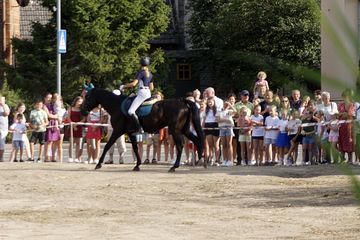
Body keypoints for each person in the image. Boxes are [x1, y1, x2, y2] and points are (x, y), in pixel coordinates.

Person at [120, 56, 154, 133]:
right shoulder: (151, 74)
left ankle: (139, 128)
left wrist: (124, 86)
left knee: (131, 111)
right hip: (148, 92)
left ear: (140, 64)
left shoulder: (141, 73)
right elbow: (152, 88)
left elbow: (134, 84)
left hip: (142, 93)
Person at [337, 89, 355, 163]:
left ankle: (350, 159)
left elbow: (350, 114)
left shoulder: (352, 105)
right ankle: (342, 158)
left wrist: (344, 114)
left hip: (349, 127)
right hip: (341, 127)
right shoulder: (340, 105)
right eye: (343, 96)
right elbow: (338, 114)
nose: (344, 98)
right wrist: (343, 114)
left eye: (345, 96)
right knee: (341, 141)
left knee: (349, 142)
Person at [216, 100, 236, 167]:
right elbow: (218, 120)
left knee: (229, 144)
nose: (225, 105)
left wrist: (230, 105)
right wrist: (226, 120)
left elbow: (235, 112)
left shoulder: (229, 111)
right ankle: (225, 160)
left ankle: (230, 160)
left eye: (226, 104)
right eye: (224, 104)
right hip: (222, 128)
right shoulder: (219, 112)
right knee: (224, 145)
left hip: (229, 128)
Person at [66, 96, 85, 163]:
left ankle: (77, 157)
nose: (80, 103)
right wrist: (73, 124)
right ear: (76, 101)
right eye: (79, 101)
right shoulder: (70, 108)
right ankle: (70, 157)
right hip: (71, 126)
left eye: (81, 102)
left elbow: (84, 119)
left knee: (78, 143)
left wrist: (77, 124)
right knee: (71, 143)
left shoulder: (82, 109)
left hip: (79, 127)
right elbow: (68, 117)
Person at [0, 95, 10, 162]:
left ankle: (1, 158)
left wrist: (3, 104)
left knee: (1, 143)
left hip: (3, 128)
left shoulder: (5, 106)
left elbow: (6, 113)